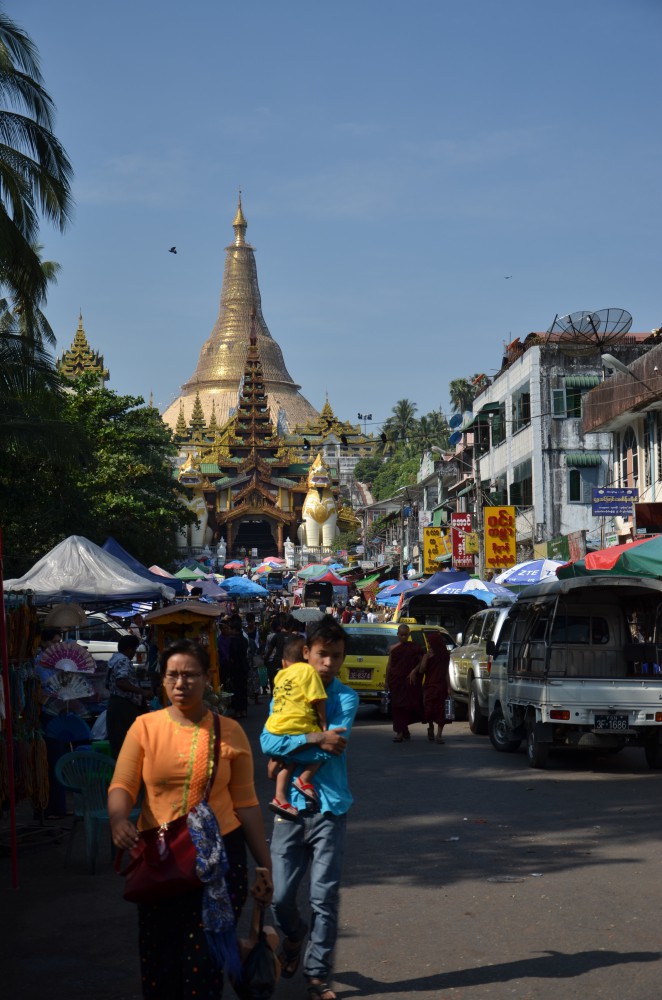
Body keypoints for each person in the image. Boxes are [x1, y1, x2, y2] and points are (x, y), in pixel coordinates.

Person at [108, 638, 273, 1000]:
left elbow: (246, 803)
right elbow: (122, 783)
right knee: (159, 964)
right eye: (172, 675)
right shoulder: (144, 727)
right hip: (159, 859)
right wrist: (119, 819)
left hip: (219, 864)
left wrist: (264, 863)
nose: (180, 683)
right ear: (162, 680)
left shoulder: (229, 731)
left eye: (190, 675)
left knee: (203, 969)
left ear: (207, 678)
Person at [260, 616, 359, 1000]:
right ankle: (294, 935)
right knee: (281, 896)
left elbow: (336, 743)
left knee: (324, 897)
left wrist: (293, 747)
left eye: (336, 656)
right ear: (306, 653)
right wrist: (315, 736)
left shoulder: (345, 697)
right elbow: (268, 741)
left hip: (330, 807)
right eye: (322, 655)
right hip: (289, 809)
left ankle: (317, 977)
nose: (329, 664)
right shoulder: (287, 688)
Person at [264, 634, 327, 819]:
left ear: (284, 662)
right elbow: (318, 699)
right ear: (306, 654)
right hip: (298, 726)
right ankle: (304, 779)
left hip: (275, 728)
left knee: (288, 761)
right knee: (325, 749)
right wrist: (322, 723)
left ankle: (279, 797)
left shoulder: (280, 675)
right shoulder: (308, 671)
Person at [106, 635, 145, 759]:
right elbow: (121, 682)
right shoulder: (123, 660)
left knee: (119, 741)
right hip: (123, 706)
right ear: (129, 649)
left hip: (116, 704)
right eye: (134, 650)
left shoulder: (114, 659)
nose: (134, 654)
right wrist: (142, 692)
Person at [385, 623, 424, 742]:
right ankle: (400, 732)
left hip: (408, 681)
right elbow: (389, 665)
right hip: (396, 681)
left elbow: (422, 661)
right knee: (397, 706)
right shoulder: (393, 648)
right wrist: (386, 681)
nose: (403, 637)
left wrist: (414, 671)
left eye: (405, 635)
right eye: (401, 635)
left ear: (409, 635)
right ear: (397, 635)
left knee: (407, 706)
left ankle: (404, 729)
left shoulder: (415, 647)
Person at [415, 632, 452, 743]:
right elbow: (421, 671)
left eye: (430, 643)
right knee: (429, 710)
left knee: (441, 712)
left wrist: (449, 687)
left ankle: (439, 735)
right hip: (429, 687)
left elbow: (446, 672)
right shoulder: (428, 655)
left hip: (441, 687)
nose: (429, 646)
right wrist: (426, 658)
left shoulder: (445, 656)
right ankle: (430, 725)